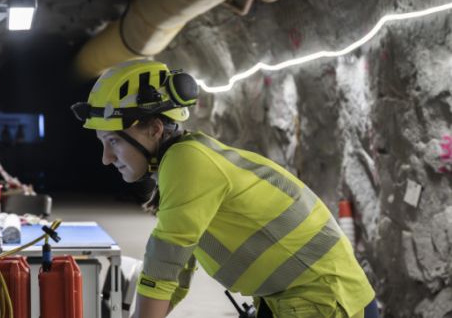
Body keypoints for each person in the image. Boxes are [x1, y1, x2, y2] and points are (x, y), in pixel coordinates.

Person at [71, 59, 379, 318]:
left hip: (327, 301)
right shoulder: (185, 161)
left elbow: (162, 266)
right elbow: (175, 272)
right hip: (306, 299)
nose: (106, 158)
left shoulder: (187, 161)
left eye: (113, 141)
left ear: (154, 129)